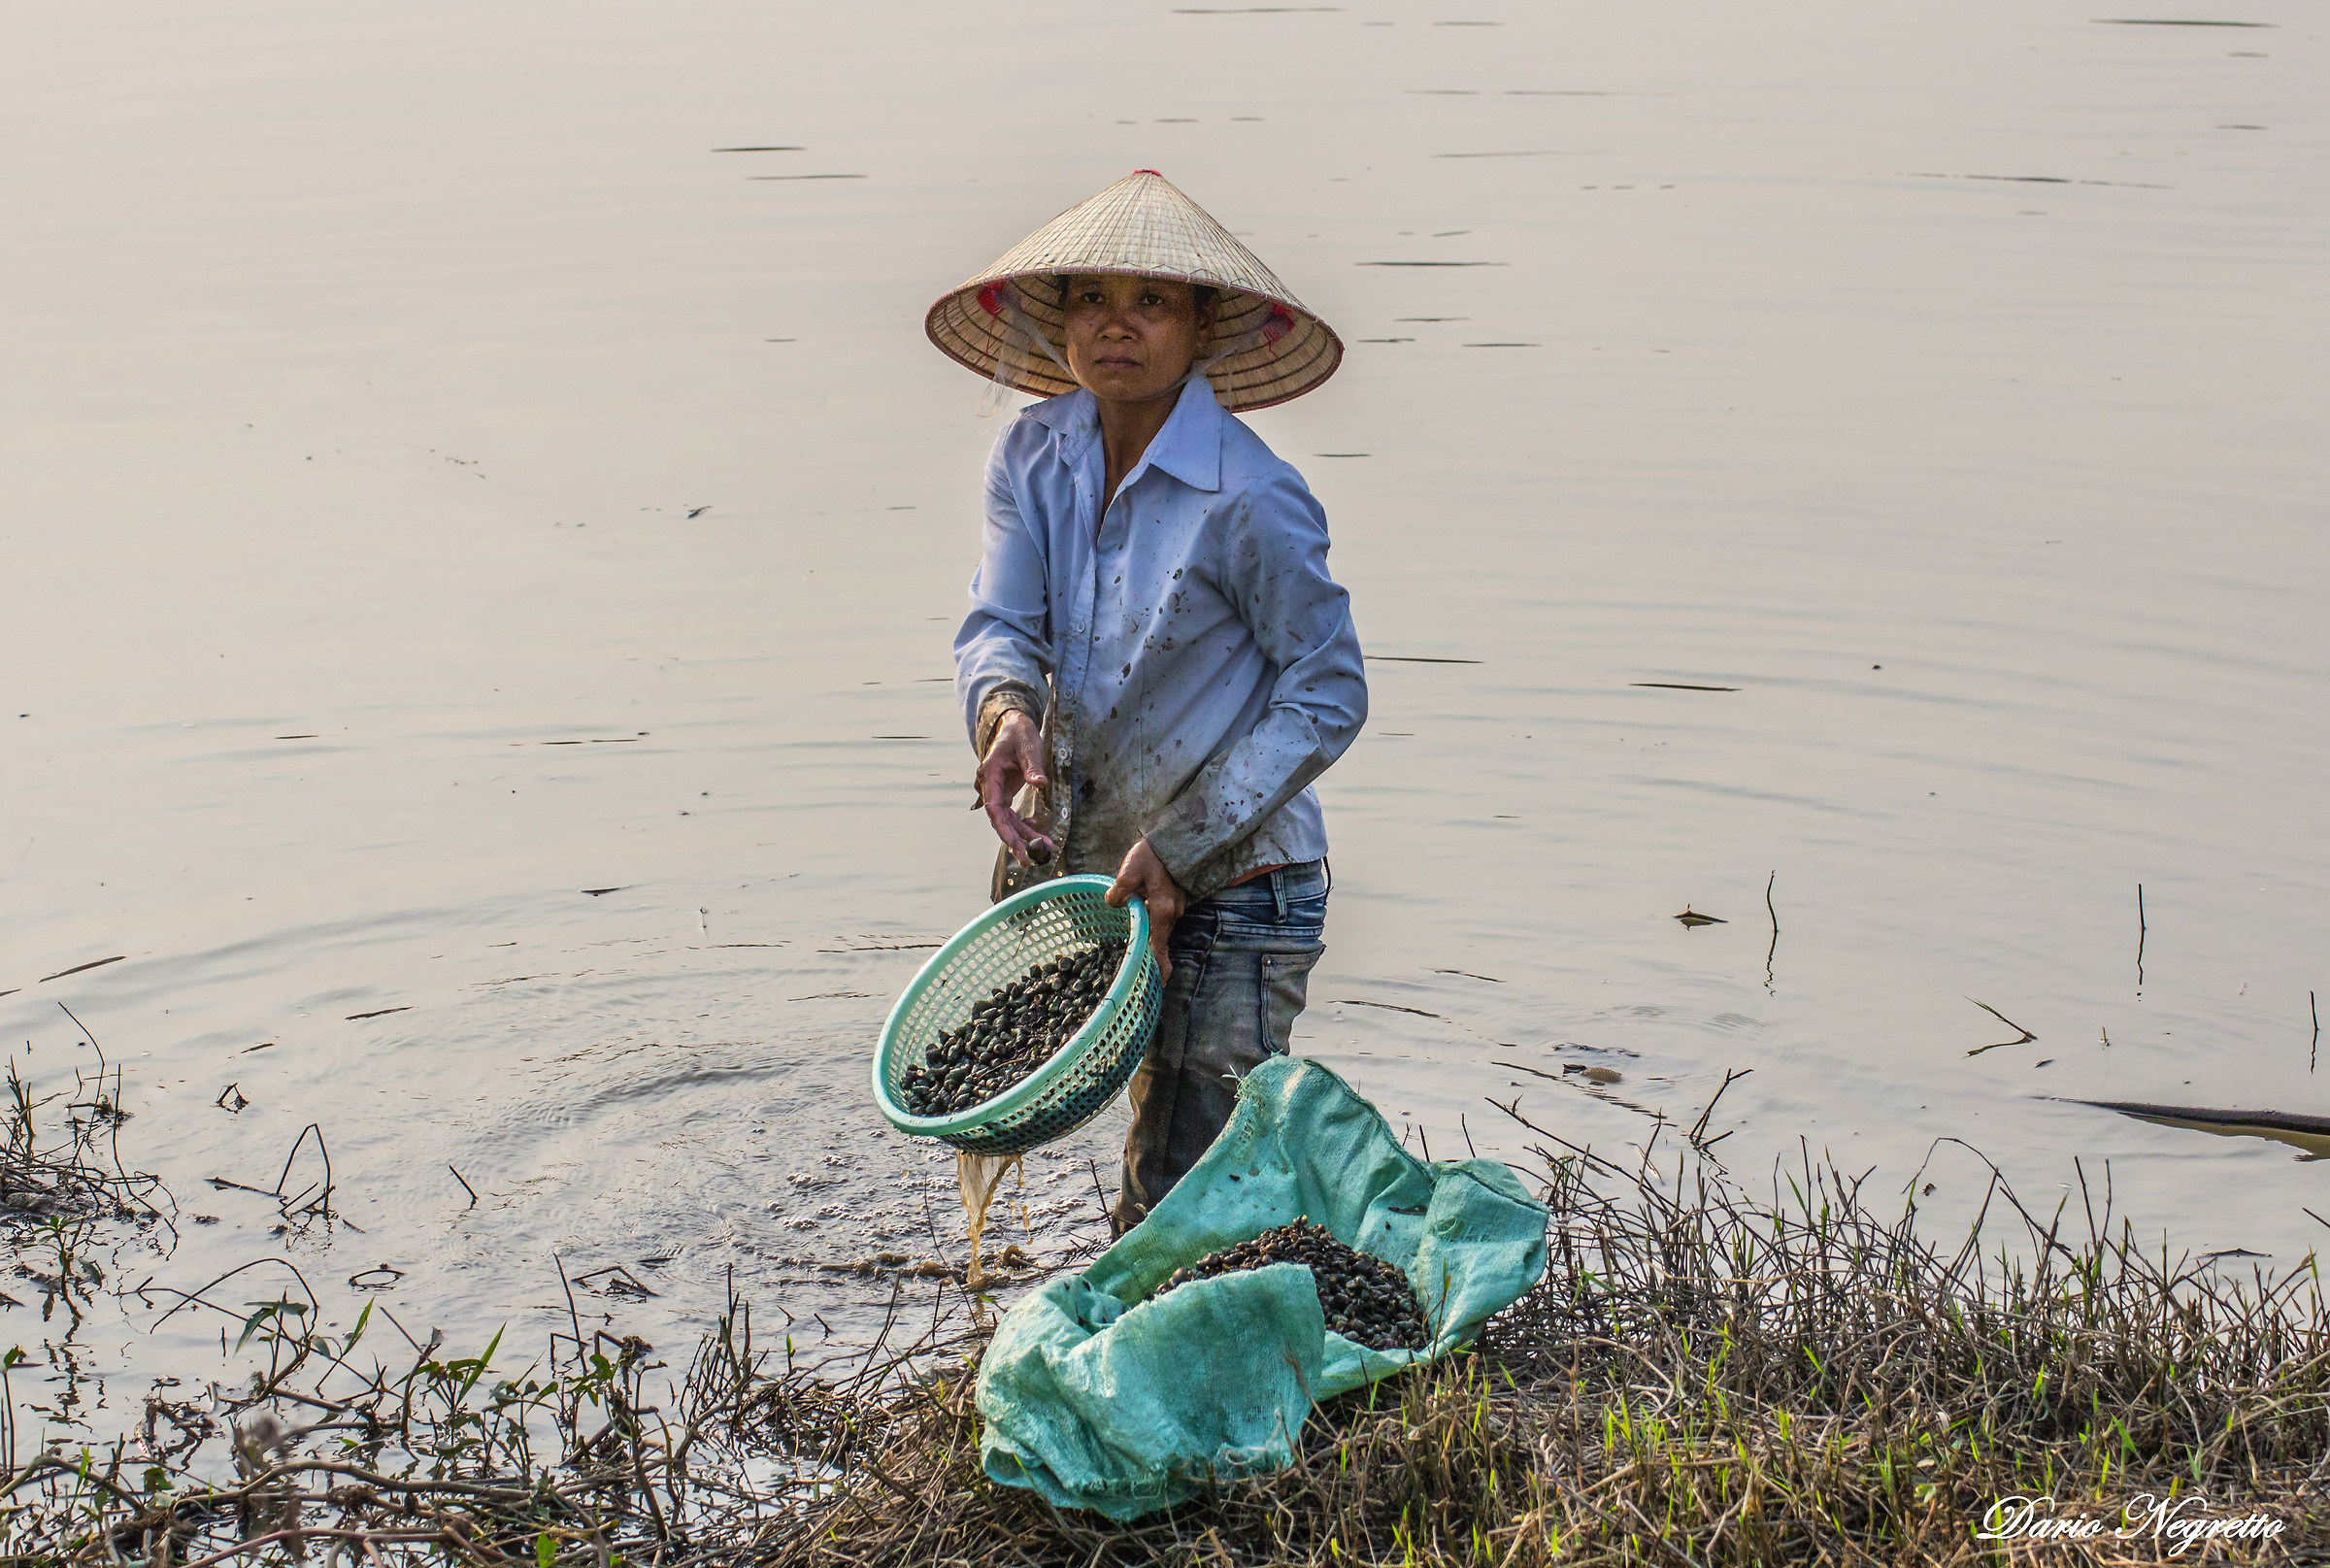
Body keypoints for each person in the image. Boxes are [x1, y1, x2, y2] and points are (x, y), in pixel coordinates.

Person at [927, 170, 1367, 1229]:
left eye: (1152, 302)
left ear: (1202, 325)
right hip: (1105, 875)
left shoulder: (1251, 498)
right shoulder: (1035, 456)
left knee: (1180, 1199)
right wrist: (1005, 716)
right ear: (1062, 321)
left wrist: (1182, 842)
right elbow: (1001, 624)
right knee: (1161, 1155)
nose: (1115, 325)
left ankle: (1250, 1357)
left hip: (1245, 883)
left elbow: (1328, 690)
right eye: (1091, 300)